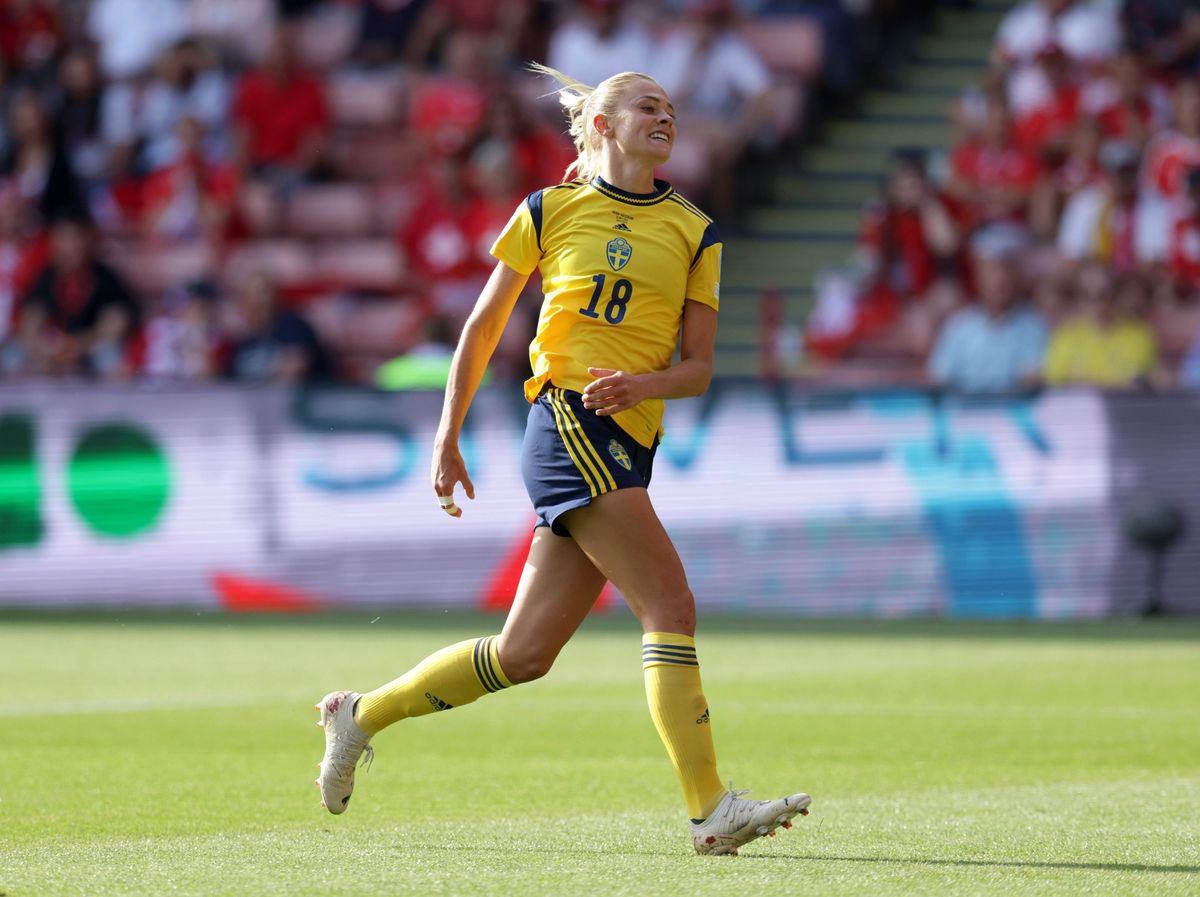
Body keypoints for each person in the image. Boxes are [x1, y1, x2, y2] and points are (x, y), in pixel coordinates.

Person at [314, 64, 810, 856]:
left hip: (628, 434)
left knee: (524, 654)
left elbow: (701, 367)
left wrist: (643, 383)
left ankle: (360, 713)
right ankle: (708, 807)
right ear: (604, 124)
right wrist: (448, 434)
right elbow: (481, 329)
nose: (665, 116)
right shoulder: (549, 209)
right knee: (670, 605)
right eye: (647, 105)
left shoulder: (695, 228)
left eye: (672, 108)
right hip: (567, 422)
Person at [928, 226, 1049, 394]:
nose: (1000, 279)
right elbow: (938, 381)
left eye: (1006, 269)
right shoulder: (958, 327)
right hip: (964, 415)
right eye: (991, 270)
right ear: (978, 275)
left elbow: (1031, 384)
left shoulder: (1034, 327)